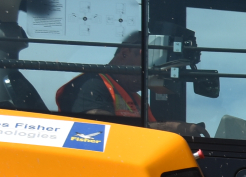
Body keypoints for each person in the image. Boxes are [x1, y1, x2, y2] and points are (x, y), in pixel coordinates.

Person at [55, 32, 207, 138]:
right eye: (148, 58)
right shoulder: (90, 84)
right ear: (125, 53)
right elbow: (101, 132)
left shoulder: (136, 99)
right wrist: (174, 129)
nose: (152, 68)